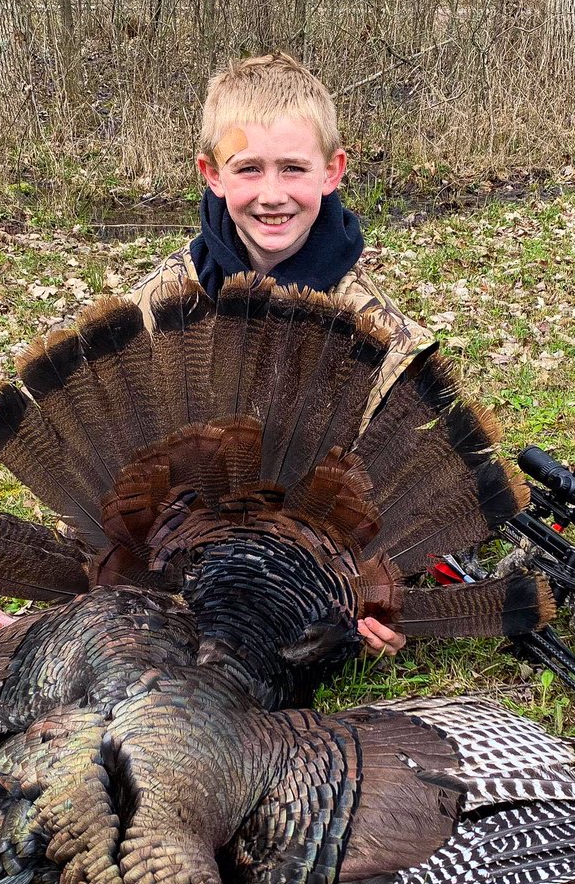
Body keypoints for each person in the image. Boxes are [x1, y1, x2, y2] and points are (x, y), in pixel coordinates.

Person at [129, 52, 436, 656]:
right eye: (248, 170)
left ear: (332, 171)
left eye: (294, 169)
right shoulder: (162, 303)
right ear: (211, 174)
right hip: (181, 559)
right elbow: (116, 464)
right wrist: (77, 601)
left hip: (306, 577)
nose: (272, 195)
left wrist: (388, 595)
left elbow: (406, 493)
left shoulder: (379, 331)